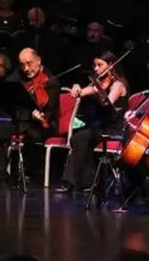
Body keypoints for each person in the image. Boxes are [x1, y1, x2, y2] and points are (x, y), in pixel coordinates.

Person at [54, 52, 128, 193]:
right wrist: (77, 88)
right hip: (101, 128)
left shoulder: (117, 85)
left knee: (81, 137)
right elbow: (82, 92)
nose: (96, 68)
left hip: (114, 129)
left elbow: (108, 102)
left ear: (111, 65)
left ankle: (70, 182)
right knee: (78, 139)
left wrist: (98, 91)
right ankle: (90, 181)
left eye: (100, 65)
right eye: (94, 65)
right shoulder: (99, 84)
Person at [0, 48, 60, 181]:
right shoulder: (19, 74)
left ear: (38, 60)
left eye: (29, 63)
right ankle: (0, 171)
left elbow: (51, 110)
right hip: (21, 122)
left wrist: (40, 116)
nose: (26, 68)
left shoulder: (51, 81)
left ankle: (30, 171)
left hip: (43, 125)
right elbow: (8, 88)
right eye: (22, 64)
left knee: (33, 134)